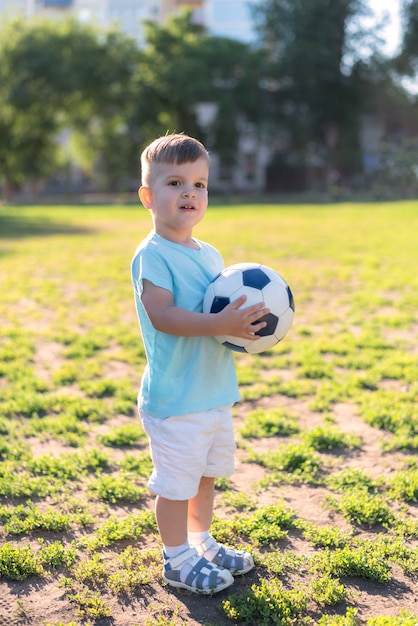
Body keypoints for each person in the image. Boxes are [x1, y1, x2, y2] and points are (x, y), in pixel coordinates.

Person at [131, 133, 269, 595]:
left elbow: (221, 314)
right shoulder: (152, 255)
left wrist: (242, 325)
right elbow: (164, 316)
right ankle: (175, 560)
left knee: (205, 478)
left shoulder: (210, 254)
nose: (189, 193)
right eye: (175, 182)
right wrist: (218, 323)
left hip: (212, 392)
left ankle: (201, 543)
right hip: (175, 399)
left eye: (200, 184)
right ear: (149, 197)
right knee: (175, 485)